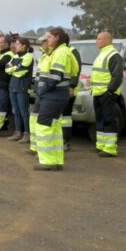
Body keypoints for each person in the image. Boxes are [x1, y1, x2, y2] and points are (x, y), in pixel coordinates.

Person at [33, 28, 79, 170]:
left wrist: (42, 90)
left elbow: (54, 76)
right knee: (54, 128)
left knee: (44, 127)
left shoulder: (61, 52)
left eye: (49, 37)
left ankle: (48, 162)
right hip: (55, 94)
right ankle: (56, 161)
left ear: (57, 37)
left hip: (53, 94)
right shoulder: (59, 51)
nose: (47, 40)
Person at [90, 31, 123, 157]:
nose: (97, 41)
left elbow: (117, 76)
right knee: (100, 119)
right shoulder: (102, 53)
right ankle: (101, 145)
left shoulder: (114, 55)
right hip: (98, 92)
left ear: (107, 40)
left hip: (107, 94)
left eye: (99, 39)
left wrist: (109, 91)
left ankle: (110, 148)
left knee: (109, 120)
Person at [7, 37, 34, 143]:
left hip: (22, 87)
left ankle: (27, 134)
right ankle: (18, 132)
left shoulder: (28, 57)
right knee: (16, 111)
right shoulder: (15, 56)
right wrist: (15, 68)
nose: (15, 46)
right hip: (13, 86)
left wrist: (13, 68)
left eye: (18, 44)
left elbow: (21, 72)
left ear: (24, 46)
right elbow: (6, 69)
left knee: (24, 112)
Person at [28, 36, 50, 155]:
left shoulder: (55, 55)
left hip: (48, 94)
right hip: (40, 93)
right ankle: (35, 147)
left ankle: (43, 150)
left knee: (44, 123)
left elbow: (53, 77)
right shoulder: (44, 56)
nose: (41, 45)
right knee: (34, 118)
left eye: (43, 42)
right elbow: (39, 74)